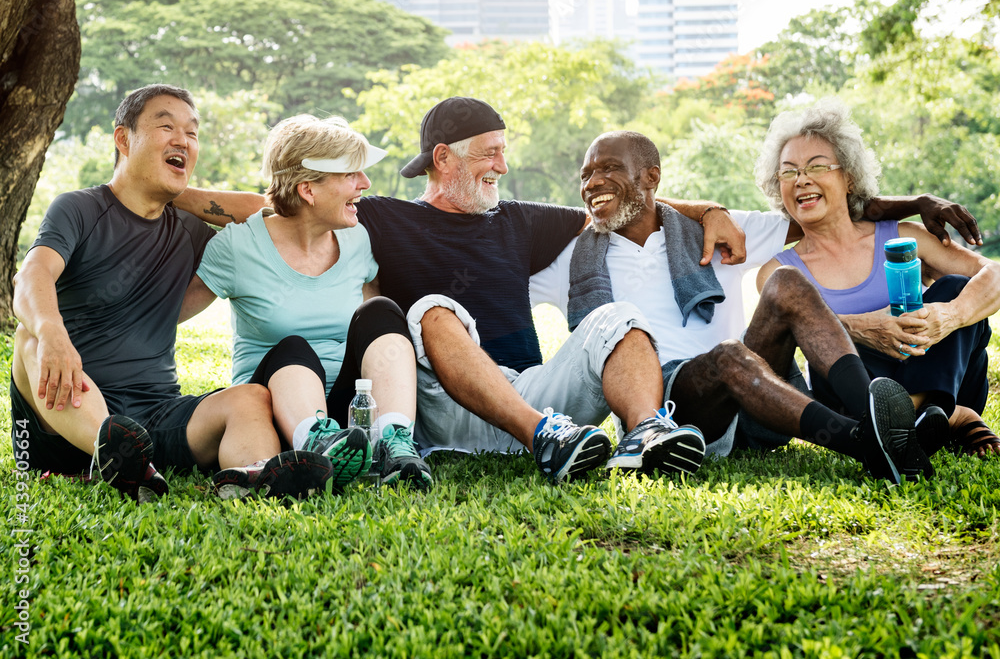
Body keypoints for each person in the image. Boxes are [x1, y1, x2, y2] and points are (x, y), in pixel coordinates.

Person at [174, 97, 752, 483]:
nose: (503, 163)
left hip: (529, 391)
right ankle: (542, 440)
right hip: (447, 405)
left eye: (503, 149)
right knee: (426, 307)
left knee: (618, 316)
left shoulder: (521, 219)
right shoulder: (377, 217)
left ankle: (645, 435)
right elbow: (276, 203)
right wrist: (157, 187)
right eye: (491, 151)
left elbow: (612, 206)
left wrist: (708, 209)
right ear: (444, 159)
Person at [529, 131, 980, 483]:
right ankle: (868, 444)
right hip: (677, 411)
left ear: (652, 177)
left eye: (609, 168)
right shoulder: (572, 258)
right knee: (729, 355)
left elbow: (823, 209)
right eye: (585, 175)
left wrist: (917, 203)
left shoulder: (715, 231)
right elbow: (505, 285)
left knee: (786, 282)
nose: (593, 183)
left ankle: (875, 416)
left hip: (763, 404)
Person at [11, 85, 334, 502]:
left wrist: (180, 195)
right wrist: (53, 331)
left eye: (192, 133)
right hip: (64, 416)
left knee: (250, 399)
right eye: (166, 126)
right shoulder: (79, 209)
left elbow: (273, 212)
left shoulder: (189, 230)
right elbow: (32, 273)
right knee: (29, 338)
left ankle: (252, 478)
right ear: (123, 139)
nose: (183, 140)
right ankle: (112, 450)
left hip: (155, 416)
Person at [179, 114, 432, 489]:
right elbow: (164, 317)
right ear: (308, 190)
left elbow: (376, 342)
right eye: (351, 175)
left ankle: (393, 444)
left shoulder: (357, 239)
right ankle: (315, 445)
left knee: (382, 312)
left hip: (350, 419)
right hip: (277, 408)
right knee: (293, 346)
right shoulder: (238, 247)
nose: (365, 184)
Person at [756, 100, 1000, 459]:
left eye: (817, 166)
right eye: (788, 172)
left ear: (849, 176)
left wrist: (949, 317)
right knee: (831, 347)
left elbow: (993, 275)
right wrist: (860, 327)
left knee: (954, 288)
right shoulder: (779, 273)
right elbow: (789, 333)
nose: (801, 179)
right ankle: (953, 419)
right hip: (859, 396)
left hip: (942, 374)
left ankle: (916, 416)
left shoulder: (903, 236)